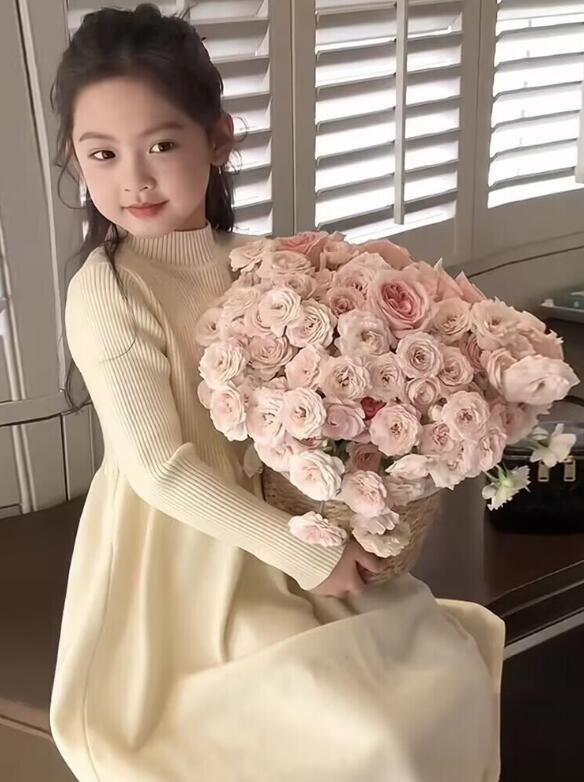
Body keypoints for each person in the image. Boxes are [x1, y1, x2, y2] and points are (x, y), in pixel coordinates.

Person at [49, 5, 505, 781]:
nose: (135, 179)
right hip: (184, 560)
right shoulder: (109, 291)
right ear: (76, 159)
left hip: (289, 520)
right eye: (103, 154)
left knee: (441, 673)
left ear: (218, 140)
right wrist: (303, 554)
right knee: (369, 734)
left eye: (162, 144)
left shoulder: (266, 262)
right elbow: (160, 469)